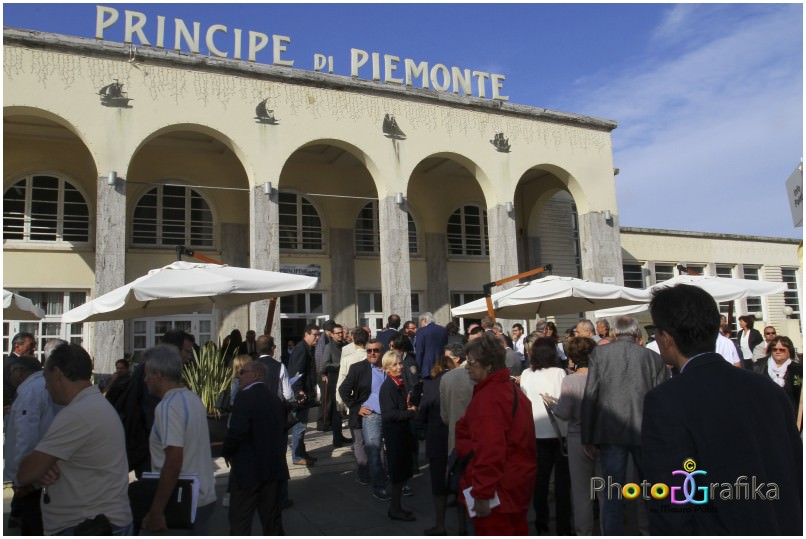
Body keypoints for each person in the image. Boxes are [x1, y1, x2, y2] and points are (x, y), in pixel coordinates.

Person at [642, 284, 802, 535]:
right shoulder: (768, 389)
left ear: (666, 338)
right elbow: (795, 469)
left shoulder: (666, 400)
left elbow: (671, 498)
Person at [17, 343, 133, 535]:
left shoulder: (77, 414)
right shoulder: (92, 404)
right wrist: (47, 466)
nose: (46, 386)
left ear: (57, 374)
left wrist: (40, 466)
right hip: (97, 520)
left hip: (86, 524)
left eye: (46, 377)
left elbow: (25, 474)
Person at [580, 315, 669, 535]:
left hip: (610, 431)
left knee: (613, 493)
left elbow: (590, 394)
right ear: (637, 334)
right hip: (645, 430)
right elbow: (662, 400)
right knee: (650, 489)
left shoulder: (600, 354)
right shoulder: (652, 358)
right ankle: (652, 531)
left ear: (613, 333)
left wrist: (587, 436)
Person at [455, 332, 537, 535]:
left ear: (488, 365)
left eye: (471, 362)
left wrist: (482, 493)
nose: (467, 366)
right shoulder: (509, 389)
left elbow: (490, 450)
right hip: (516, 484)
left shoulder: (490, 398)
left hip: (499, 492)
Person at [140, 344, 217, 534]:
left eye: (147, 373)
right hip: (202, 496)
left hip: (183, 501)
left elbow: (173, 460)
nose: (145, 379)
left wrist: (157, 510)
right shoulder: (192, 398)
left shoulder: (168, 407)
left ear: (158, 375)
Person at [223, 361, 289, 535]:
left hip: (248, 470)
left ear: (256, 375)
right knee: (272, 520)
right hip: (272, 469)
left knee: (240, 519)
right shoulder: (274, 399)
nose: (239, 375)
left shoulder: (244, 396)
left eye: (243, 372)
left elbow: (237, 431)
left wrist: (227, 450)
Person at [545, 337, 601, 536]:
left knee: (581, 492)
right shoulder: (601, 377)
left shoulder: (570, 380)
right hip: (601, 436)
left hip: (577, 437)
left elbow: (564, 413)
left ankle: (584, 532)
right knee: (605, 491)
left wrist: (552, 404)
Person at [519, 337, 571, 535]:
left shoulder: (526, 374)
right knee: (562, 483)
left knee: (540, 481)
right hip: (559, 433)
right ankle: (564, 526)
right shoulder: (559, 372)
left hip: (535, 432)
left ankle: (541, 522)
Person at [4, 355, 59, 535]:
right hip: (41, 469)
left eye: (10, 372)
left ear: (19, 371)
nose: (9, 377)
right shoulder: (38, 387)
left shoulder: (30, 391)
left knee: (32, 523)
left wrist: (22, 477)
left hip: (32, 475)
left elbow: (25, 436)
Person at [338, 338, 389, 500]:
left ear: (383, 351)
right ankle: (378, 485)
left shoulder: (390, 366)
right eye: (369, 351)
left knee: (391, 451)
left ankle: (394, 480)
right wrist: (356, 407)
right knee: (374, 451)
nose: (372, 353)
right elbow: (343, 389)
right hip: (370, 416)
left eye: (376, 350)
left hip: (390, 414)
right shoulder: (358, 368)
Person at [418, 351, 456, 535]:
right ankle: (464, 526)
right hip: (459, 437)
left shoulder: (431, 384)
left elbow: (423, 411)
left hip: (437, 437)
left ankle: (440, 524)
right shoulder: (462, 381)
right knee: (462, 482)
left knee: (439, 485)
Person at [380, 351, 418, 521]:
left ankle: (397, 506)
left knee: (402, 472)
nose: (399, 367)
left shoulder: (398, 383)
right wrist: (409, 413)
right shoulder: (389, 386)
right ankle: (394, 509)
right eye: (394, 365)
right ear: (387, 368)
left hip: (402, 432)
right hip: (395, 434)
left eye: (399, 363)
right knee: (397, 473)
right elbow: (390, 414)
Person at [287, 324, 320, 466]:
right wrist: (299, 391)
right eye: (315, 335)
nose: (317, 338)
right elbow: (296, 373)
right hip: (301, 394)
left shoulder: (308, 348)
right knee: (299, 426)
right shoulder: (301, 349)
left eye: (319, 335)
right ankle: (297, 456)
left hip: (306, 392)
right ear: (306, 334)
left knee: (302, 425)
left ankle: (302, 452)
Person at [320, 323, 351, 446]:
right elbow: (325, 365)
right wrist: (340, 364)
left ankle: (340, 435)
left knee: (342, 409)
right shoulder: (329, 347)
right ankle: (336, 438)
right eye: (337, 333)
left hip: (345, 379)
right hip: (334, 379)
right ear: (332, 335)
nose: (340, 335)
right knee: (336, 408)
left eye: (341, 332)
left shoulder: (345, 345)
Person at [753, 335, 802, 411]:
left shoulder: (797, 369)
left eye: (782, 350)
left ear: (789, 351)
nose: (778, 352)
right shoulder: (759, 367)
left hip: (790, 412)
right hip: (766, 411)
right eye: (774, 349)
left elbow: (800, 394)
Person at [4, 331, 36, 409]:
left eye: (34, 345)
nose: (34, 349)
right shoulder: (11, 363)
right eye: (31, 345)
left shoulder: (24, 361)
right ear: (17, 346)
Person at [415, 312, 449, 379]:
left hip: (426, 367)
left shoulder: (421, 331)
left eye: (420, 322)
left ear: (424, 320)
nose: (421, 324)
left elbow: (420, 351)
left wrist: (417, 367)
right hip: (441, 364)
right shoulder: (443, 330)